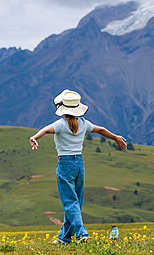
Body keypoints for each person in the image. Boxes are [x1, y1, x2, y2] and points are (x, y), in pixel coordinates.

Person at [29, 89, 127, 244]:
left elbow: (47, 129)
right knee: (75, 202)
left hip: (65, 164)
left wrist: (35, 137)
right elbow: (100, 129)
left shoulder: (61, 124)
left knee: (69, 202)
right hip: (79, 164)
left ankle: (82, 234)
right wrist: (115, 137)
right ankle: (65, 238)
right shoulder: (83, 124)